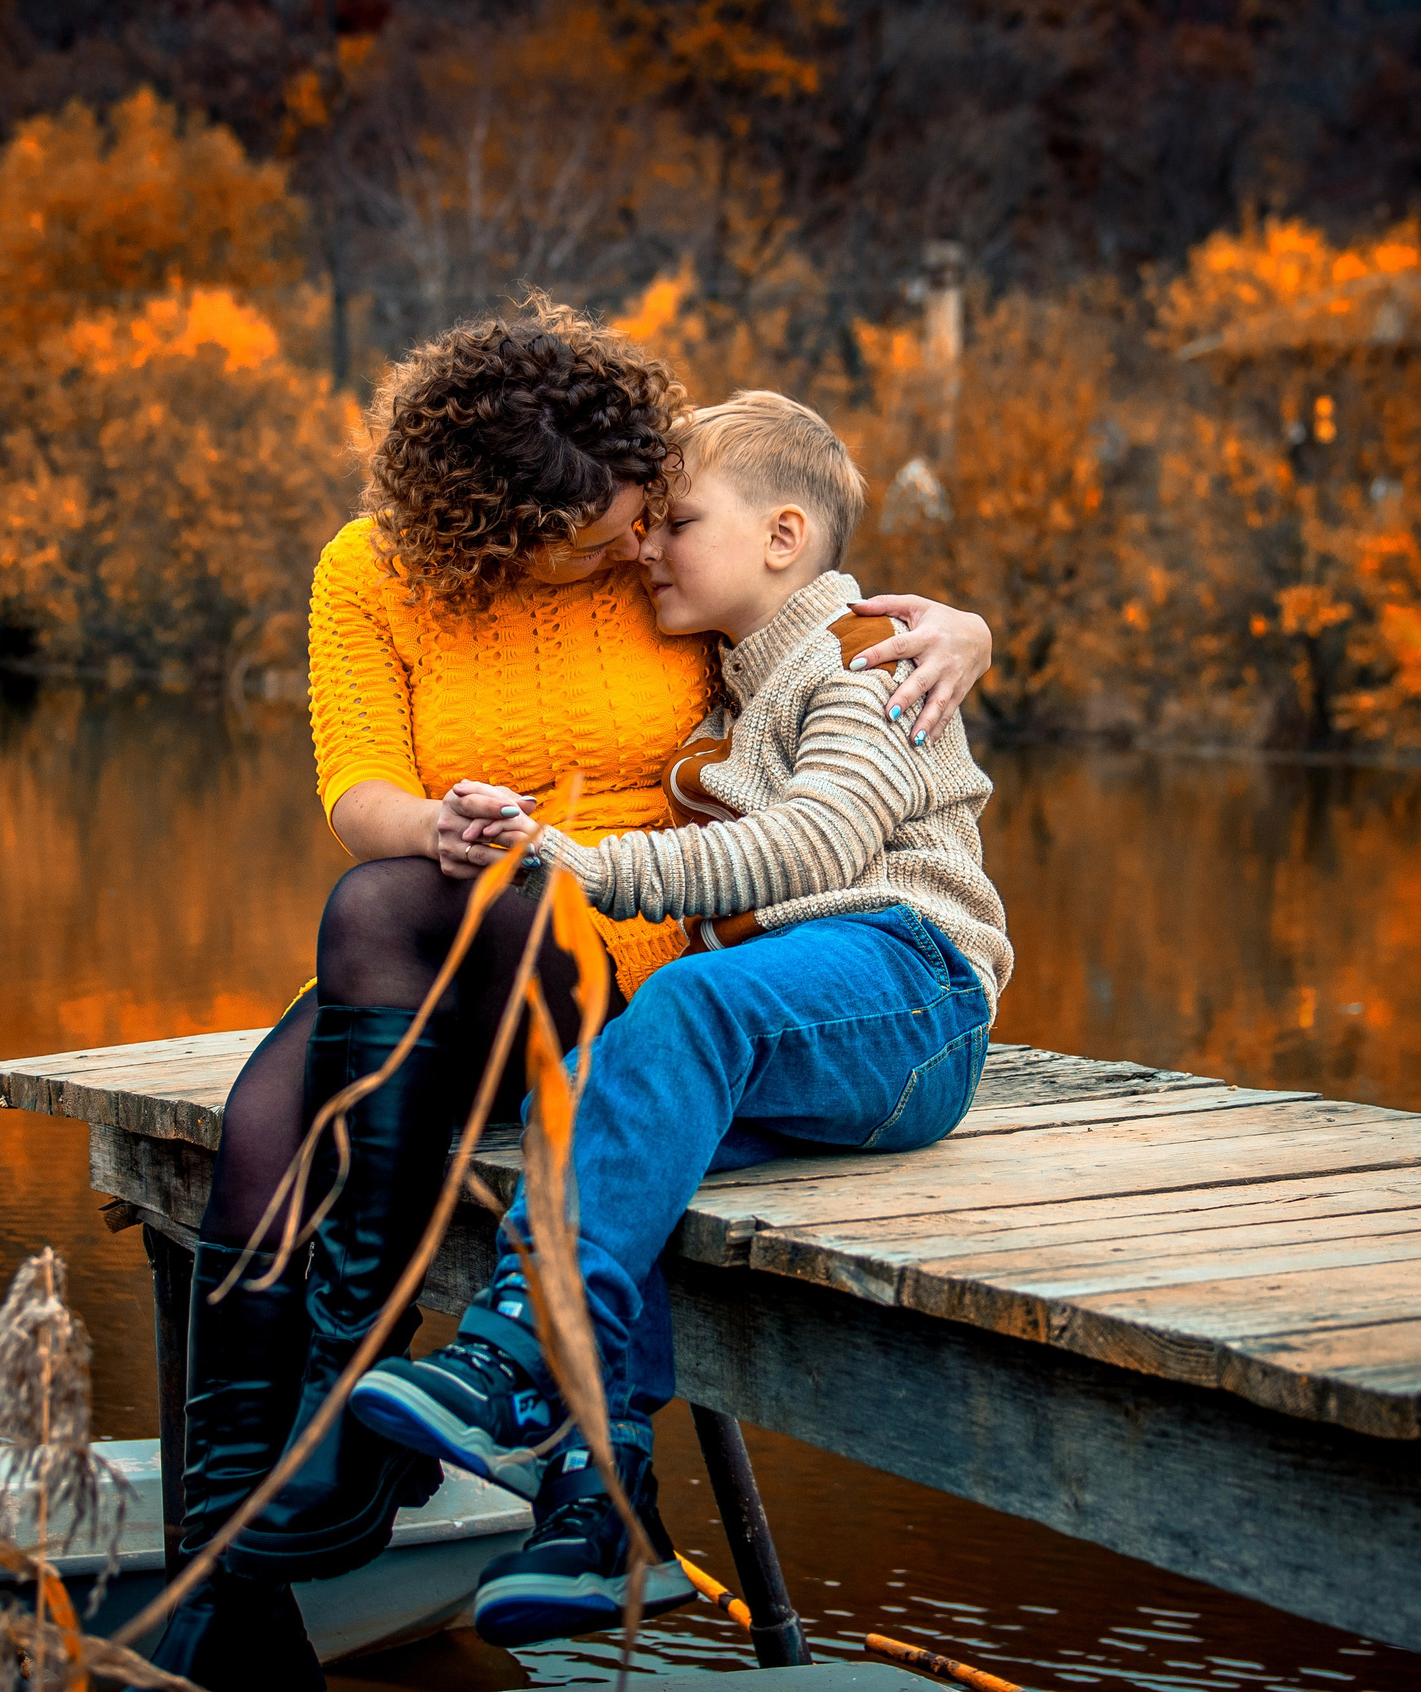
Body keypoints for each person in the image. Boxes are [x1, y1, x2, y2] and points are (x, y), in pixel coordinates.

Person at [153, 306, 998, 1690]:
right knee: (265, 1124)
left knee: (561, 1017)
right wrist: (438, 826)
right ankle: (245, 1554)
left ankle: (435, 1414)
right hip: (453, 910)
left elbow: (808, 589)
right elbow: (356, 788)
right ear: (504, 525)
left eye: (653, 522)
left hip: (628, 932)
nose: (638, 548)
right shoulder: (379, 577)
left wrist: (963, 626)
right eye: (611, 532)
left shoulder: (683, 576)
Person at [348, 390, 1013, 1647]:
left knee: (684, 1005)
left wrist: (583, 864)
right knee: (606, 1096)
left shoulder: (864, 665)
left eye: (677, 522)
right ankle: (602, 1510)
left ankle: (510, 1355)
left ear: (779, 536)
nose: (646, 545)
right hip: (799, 1018)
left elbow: (817, 839)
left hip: (909, 986)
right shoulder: (734, 678)